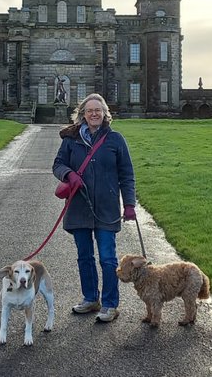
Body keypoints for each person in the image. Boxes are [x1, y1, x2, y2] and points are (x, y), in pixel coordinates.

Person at [52, 93, 137, 323]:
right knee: (84, 256)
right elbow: (57, 165)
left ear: (105, 114)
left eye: (98, 110)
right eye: (89, 111)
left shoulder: (115, 139)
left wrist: (129, 203)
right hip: (79, 205)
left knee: (108, 258)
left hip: (107, 208)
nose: (94, 114)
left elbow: (127, 174)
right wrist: (69, 174)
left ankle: (110, 304)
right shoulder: (71, 139)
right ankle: (91, 298)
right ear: (83, 114)